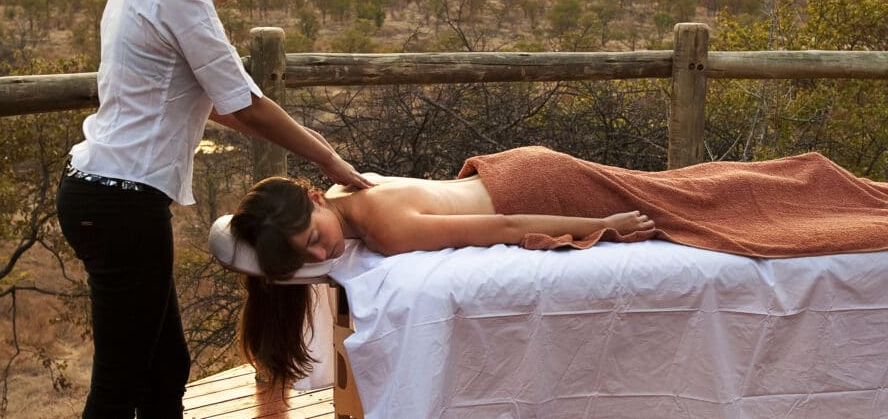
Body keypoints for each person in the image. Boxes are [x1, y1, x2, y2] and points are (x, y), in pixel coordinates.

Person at [56, 0, 371, 419]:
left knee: (163, 369)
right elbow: (243, 102)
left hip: (102, 195)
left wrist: (255, 116)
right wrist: (330, 159)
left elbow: (209, 101)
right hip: (121, 203)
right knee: (120, 384)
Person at [228, 145, 888, 386]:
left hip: (539, 188)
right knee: (697, 187)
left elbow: (508, 226)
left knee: (701, 206)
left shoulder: (387, 231)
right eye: (307, 257)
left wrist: (597, 226)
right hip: (517, 168)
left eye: (314, 237)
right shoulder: (347, 190)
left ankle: (822, 191)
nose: (324, 254)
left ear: (315, 197)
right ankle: (809, 182)